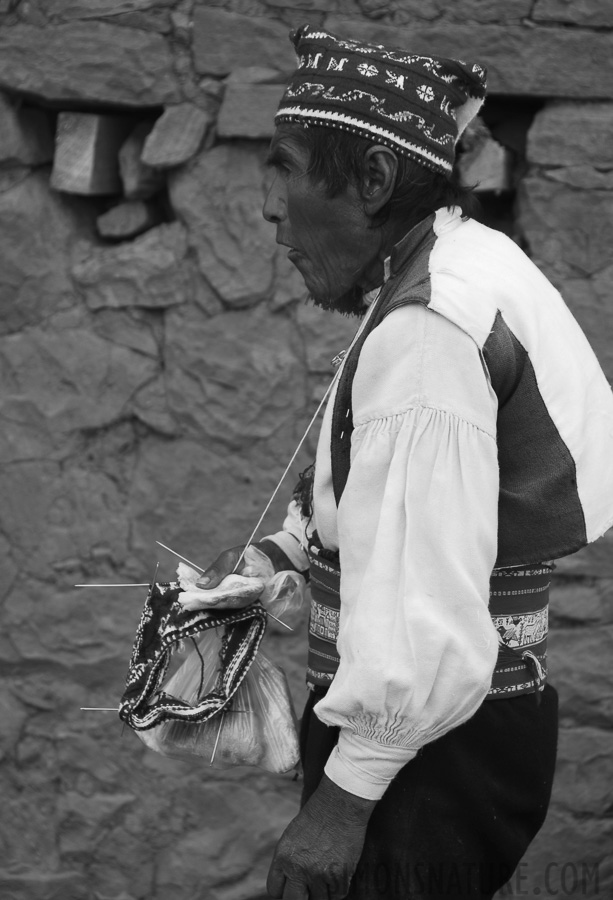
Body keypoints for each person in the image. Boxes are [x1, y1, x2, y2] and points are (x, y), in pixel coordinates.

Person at [198, 24, 613, 900]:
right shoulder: (455, 262)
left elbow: (426, 609)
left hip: (427, 764)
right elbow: (397, 519)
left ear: (376, 179)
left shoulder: (427, 329)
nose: (268, 204)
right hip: (459, 742)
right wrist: (281, 565)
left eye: (283, 165)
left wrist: (342, 804)